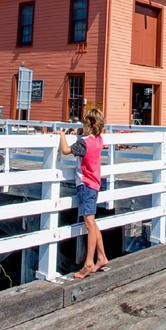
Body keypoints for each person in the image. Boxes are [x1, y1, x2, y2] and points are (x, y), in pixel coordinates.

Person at [57, 107, 107, 279]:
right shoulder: (99, 140)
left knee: (89, 223)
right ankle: (102, 257)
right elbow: (88, 138)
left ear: (89, 125)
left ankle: (88, 262)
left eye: (84, 124)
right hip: (95, 184)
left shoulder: (84, 143)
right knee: (92, 222)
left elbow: (65, 151)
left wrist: (63, 135)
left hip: (85, 185)